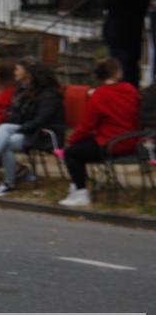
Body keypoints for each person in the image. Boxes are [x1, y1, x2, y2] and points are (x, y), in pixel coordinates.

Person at [0, 57, 64, 196]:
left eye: (17, 69)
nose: (15, 72)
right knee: (5, 133)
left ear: (28, 73)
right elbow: (16, 117)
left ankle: (8, 181)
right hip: (28, 131)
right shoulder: (24, 90)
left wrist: (19, 127)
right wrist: (14, 114)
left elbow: (40, 121)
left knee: (5, 138)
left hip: (43, 134)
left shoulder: (49, 94)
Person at [58, 58, 140, 207]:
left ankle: (81, 192)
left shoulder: (99, 95)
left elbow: (86, 126)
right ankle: (75, 188)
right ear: (117, 73)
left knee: (71, 153)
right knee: (82, 145)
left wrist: (71, 141)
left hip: (111, 144)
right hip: (132, 142)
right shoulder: (130, 89)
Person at [101, 0, 151, 88]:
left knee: (122, 69)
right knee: (128, 68)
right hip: (127, 35)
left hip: (121, 35)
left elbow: (109, 3)